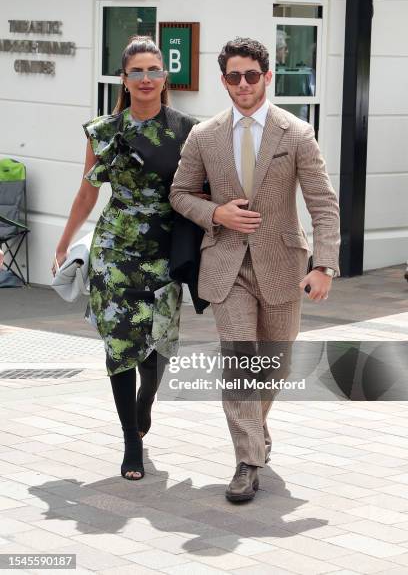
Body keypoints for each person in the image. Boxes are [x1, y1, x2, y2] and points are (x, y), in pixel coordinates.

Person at [169, 37, 340, 502]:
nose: (242, 84)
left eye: (250, 75)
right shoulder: (204, 135)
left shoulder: (296, 133)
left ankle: (256, 430)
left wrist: (324, 264)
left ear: (267, 76)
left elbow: (322, 204)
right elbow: (180, 193)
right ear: (223, 80)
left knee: (276, 365)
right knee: (241, 362)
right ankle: (247, 460)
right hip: (226, 265)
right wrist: (216, 214)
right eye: (232, 76)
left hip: (283, 264)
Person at [53, 36, 199, 481]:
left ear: (164, 75)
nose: (146, 78)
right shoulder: (105, 131)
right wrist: (64, 242)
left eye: (153, 69)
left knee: (157, 351)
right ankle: (130, 440)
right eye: (137, 71)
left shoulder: (186, 130)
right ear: (125, 79)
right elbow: (87, 192)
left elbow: (200, 190)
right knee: (120, 349)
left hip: (164, 252)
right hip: (114, 252)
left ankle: (145, 403)